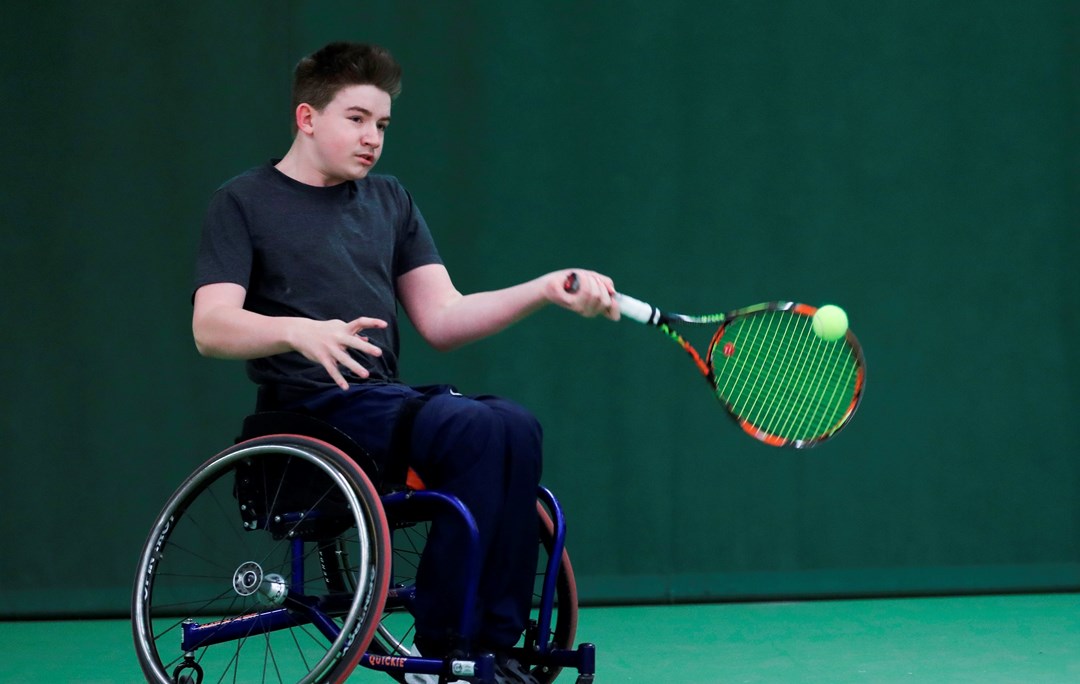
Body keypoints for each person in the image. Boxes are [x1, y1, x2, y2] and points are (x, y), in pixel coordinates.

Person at [192, 41, 618, 683]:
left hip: (382, 406)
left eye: (382, 125)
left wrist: (542, 289)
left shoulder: (389, 201)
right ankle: (450, 647)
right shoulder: (243, 202)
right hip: (307, 417)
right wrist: (301, 334)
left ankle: (495, 643)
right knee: (471, 426)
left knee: (513, 424)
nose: (373, 138)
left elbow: (444, 318)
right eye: (357, 119)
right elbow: (211, 326)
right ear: (307, 118)